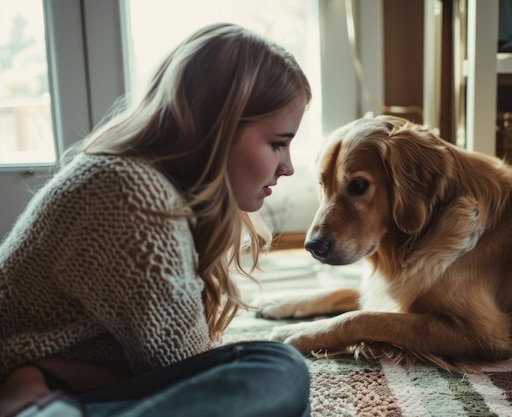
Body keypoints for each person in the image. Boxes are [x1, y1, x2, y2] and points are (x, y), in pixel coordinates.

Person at [0, 23, 312, 417]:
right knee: (278, 367)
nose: (287, 167)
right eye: (278, 143)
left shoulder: (151, 187)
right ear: (217, 127)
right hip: (28, 385)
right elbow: (184, 369)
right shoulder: (133, 192)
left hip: (58, 389)